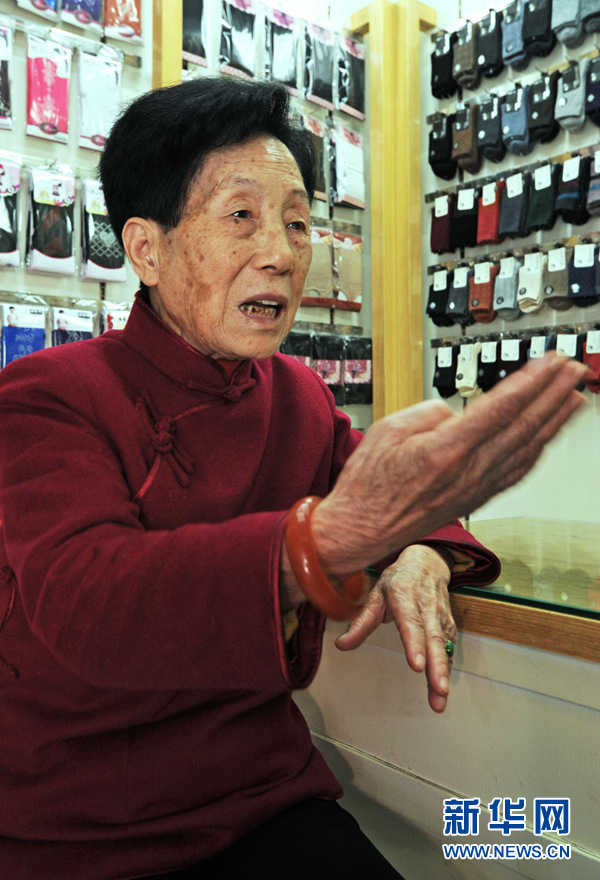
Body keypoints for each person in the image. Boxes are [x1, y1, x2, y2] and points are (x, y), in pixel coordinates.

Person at [0, 77, 587, 880]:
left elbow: (383, 490)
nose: (280, 253)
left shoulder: (297, 394)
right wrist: (323, 542)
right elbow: (88, 599)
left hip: (260, 795)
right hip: (78, 826)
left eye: (298, 222)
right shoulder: (46, 395)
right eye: (241, 217)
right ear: (145, 249)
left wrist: (421, 550)